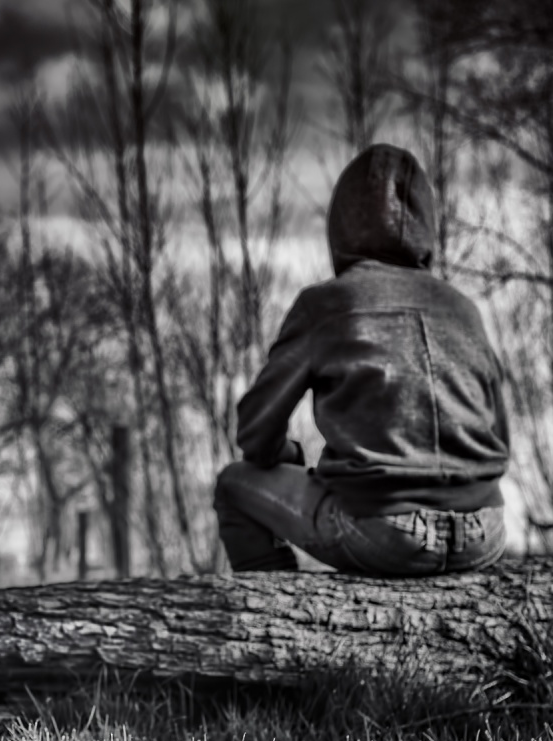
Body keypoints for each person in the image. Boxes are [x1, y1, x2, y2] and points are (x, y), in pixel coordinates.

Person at [214, 143, 509, 576]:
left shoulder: (326, 304)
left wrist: (286, 453)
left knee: (233, 484)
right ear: (427, 228)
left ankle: (276, 611)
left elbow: (256, 431)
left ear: (341, 228)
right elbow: (500, 434)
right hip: (485, 531)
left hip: (385, 532)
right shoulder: (463, 309)